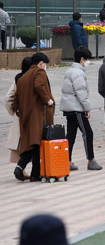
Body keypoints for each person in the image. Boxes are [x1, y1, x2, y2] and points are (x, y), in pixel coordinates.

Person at [13, 52, 55, 182]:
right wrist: (47, 100)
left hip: (26, 115)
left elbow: (16, 98)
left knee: (33, 144)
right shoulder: (39, 72)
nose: (45, 67)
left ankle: (33, 173)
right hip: (37, 115)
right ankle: (26, 170)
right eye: (45, 64)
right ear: (41, 63)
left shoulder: (23, 77)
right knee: (37, 143)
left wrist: (17, 109)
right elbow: (39, 85)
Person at [60, 47, 102, 171]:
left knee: (71, 135)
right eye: (87, 59)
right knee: (88, 133)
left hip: (69, 108)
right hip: (76, 108)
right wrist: (87, 109)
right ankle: (91, 160)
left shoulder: (70, 71)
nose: (88, 62)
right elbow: (81, 93)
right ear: (82, 59)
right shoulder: (78, 73)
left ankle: (66, 161)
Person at [3, 57, 32, 176]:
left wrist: (13, 112)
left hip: (20, 115)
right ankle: (23, 168)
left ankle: (21, 168)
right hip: (28, 116)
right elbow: (7, 99)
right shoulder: (28, 80)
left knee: (21, 142)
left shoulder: (18, 78)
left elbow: (7, 99)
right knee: (29, 142)